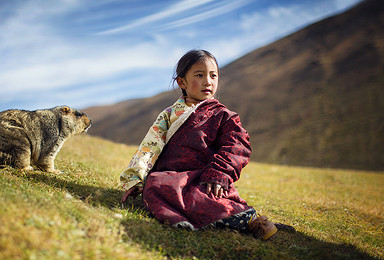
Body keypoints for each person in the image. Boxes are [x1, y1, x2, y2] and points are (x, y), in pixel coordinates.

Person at [120, 49, 293, 240]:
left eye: (213, 75)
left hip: (206, 179)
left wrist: (219, 173)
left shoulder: (225, 116)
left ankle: (250, 220)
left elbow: (237, 146)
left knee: (206, 198)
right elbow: (150, 146)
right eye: (199, 75)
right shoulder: (169, 115)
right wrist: (136, 178)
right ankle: (194, 219)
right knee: (154, 184)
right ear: (182, 82)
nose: (208, 81)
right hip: (170, 178)